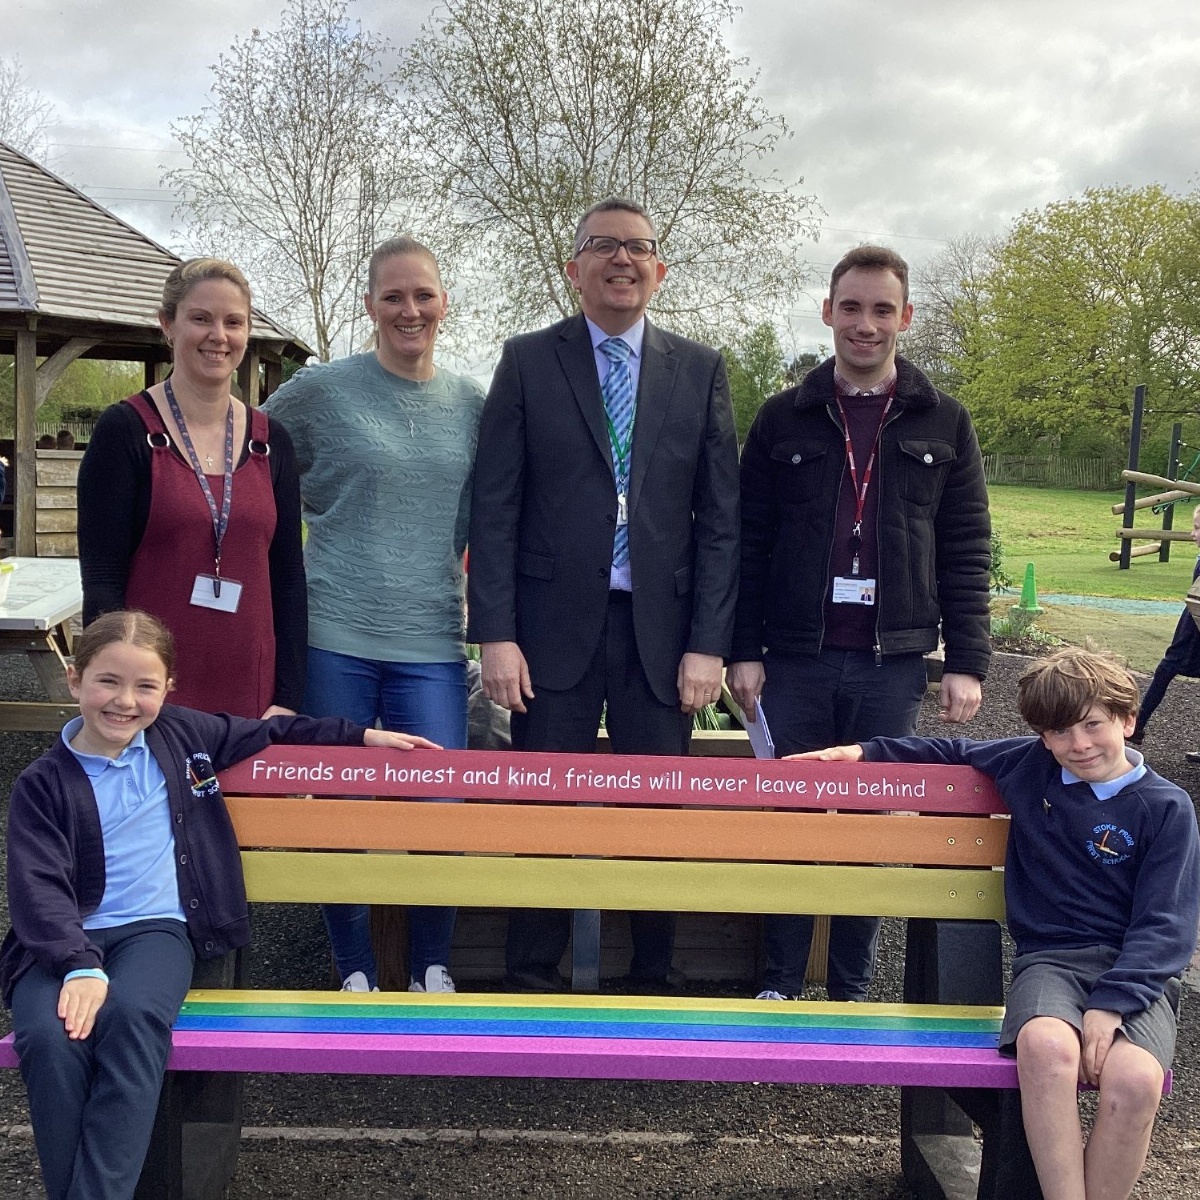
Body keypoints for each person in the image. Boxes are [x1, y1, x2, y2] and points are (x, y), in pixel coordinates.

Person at [1, 610, 438, 1200]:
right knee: (50, 1039)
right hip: (59, 943)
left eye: (145, 686)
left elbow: (274, 731)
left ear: (167, 691)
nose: (124, 701)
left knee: (133, 1017)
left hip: (155, 933)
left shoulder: (184, 736)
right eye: (107, 681)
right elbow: (38, 888)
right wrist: (78, 965)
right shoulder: (42, 781)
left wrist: (362, 735)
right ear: (75, 680)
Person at [793, 647, 1200, 1200]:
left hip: (1138, 975)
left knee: (1135, 1079)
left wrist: (1113, 1003)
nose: (1078, 745)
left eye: (1093, 725)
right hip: (1051, 963)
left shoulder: (1167, 807)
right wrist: (863, 751)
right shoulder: (1031, 765)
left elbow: (1166, 926)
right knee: (1045, 1047)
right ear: (1041, 736)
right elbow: (947, 749)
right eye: (1059, 733)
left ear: (1128, 720)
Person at [468, 197, 740, 992]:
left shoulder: (701, 370)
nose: (622, 260)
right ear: (573, 266)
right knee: (544, 808)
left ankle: (653, 975)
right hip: (548, 632)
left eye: (639, 248)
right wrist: (496, 633)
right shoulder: (526, 360)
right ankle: (529, 975)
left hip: (663, 636)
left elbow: (721, 520)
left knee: (654, 815)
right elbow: (497, 504)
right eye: (603, 247)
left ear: (660, 270)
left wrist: (709, 642)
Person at [728, 245, 992, 1002]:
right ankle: (778, 982)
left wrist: (967, 660)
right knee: (788, 824)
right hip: (796, 660)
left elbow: (966, 546)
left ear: (905, 318)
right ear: (827, 313)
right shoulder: (785, 418)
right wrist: (744, 650)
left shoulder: (945, 420)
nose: (866, 325)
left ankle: (848, 988)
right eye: (852, 308)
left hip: (892, 664)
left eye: (882, 310)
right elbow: (750, 544)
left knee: (870, 830)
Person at [264, 236, 485, 995]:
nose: (409, 310)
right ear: (369, 306)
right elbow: (251, 453)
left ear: (444, 303)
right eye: (393, 296)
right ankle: (353, 965)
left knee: (440, 811)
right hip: (333, 633)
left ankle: (432, 964)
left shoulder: (472, 404)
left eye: (423, 295)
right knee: (341, 807)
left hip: (431, 638)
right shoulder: (320, 392)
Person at [77, 258, 306, 720]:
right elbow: (102, 578)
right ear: (168, 324)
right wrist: (112, 690)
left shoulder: (271, 441)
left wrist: (288, 695)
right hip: (150, 692)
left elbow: (288, 577)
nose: (218, 336)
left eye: (233, 322)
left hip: (252, 691)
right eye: (200, 318)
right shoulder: (125, 431)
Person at [1130, 504, 1200, 749]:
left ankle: (1137, 726)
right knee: (1165, 670)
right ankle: (1137, 726)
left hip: (1194, 628)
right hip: (1191, 622)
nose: (1193, 534)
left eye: (1197, 528)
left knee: (1166, 669)